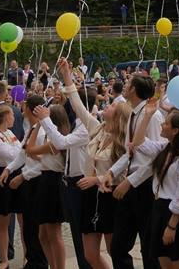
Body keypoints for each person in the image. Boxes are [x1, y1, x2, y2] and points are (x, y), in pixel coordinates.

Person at [58, 58, 130, 269]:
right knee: (90, 253)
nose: (106, 106)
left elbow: (123, 170)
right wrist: (66, 76)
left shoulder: (122, 140)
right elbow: (77, 106)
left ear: (117, 117)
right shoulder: (96, 128)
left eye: (111, 107)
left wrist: (95, 179)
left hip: (111, 194)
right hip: (90, 194)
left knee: (113, 249)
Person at [133, 104, 179, 268]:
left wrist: (172, 225)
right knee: (164, 263)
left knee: (178, 263)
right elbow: (138, 143)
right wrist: (147, 117)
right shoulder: (166, 148)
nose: (162, 125)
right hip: (159, 209)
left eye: (166, 123)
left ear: (175, 130)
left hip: (175, 214)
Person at [105, 73, 163, 269]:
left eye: (129, 83)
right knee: (118, 246)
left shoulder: (152, 116)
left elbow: (155, 158)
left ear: (133, 90)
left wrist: (130, 182)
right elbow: (130, 152)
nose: (125, 85)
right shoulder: (132, 114)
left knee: (149, 248)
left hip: (145, 186)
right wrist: (112, 172)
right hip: (130, 183)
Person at [38, 74, 93, 269]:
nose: (70, 105)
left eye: (74, 103)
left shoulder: (85, 128)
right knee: (77, 233)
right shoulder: (76, 124)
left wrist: (45, 120)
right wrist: (66, 76)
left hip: (80, 182)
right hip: (69, 181)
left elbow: (61, 142)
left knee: (82, 235)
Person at [12, 100, 69, 269]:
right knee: (43, 233)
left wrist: (38, 124)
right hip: (46, 179)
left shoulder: (55, 141)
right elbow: (31, 152)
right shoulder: (51, 139)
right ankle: (52, 265)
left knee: (53, 232)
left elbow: (29, 148)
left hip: (53, 182)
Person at [0, 105, 21, 269]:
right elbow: (12, 154)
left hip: (13, 172)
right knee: (2, 221)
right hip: (0, 175)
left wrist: (19, 151)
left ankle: (26, 257)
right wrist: (19, 151)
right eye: (12, 116)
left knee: (22, 220)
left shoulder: (10, 133)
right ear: (5, 118)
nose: (14, 118)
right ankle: (4, 258)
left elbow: (20, 151)